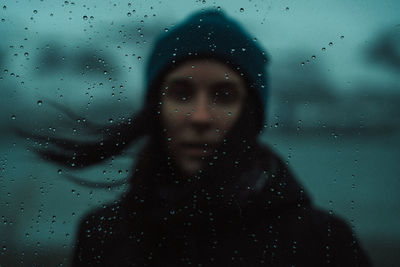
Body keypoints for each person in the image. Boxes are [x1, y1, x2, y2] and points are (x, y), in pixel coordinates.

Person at [29, 9, 371, 266]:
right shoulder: (103, 236)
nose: (201, 117)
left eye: (224, 96)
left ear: (251, 114)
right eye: (181, 94)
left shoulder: (320, 242)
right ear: (155, 109)